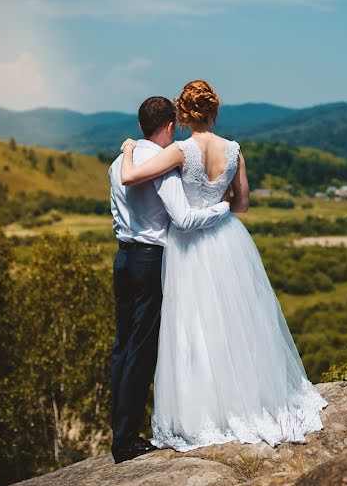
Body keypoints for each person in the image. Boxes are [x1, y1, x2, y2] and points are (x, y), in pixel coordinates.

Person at [119, 80, 327, 452]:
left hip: (190, 246)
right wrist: (220, 201)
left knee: (193, 325)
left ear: (182, 114)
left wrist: (130, 147)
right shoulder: (234, 151)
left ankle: (207, 409)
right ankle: (248, 398)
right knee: (238, 322)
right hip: (228, 239)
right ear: (214, 111)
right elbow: (242, 204)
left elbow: (131, 176)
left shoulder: (181, 151)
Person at [108, 96, 232, 463]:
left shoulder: (120, 161)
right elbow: (183, 218)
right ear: (167, 126)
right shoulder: (160, 166)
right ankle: (126, 439)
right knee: (142, 350)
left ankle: (119, 429)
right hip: (151, 259)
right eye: (174, 126)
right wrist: (223, 206)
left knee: (122, 346)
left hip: (123, 258)